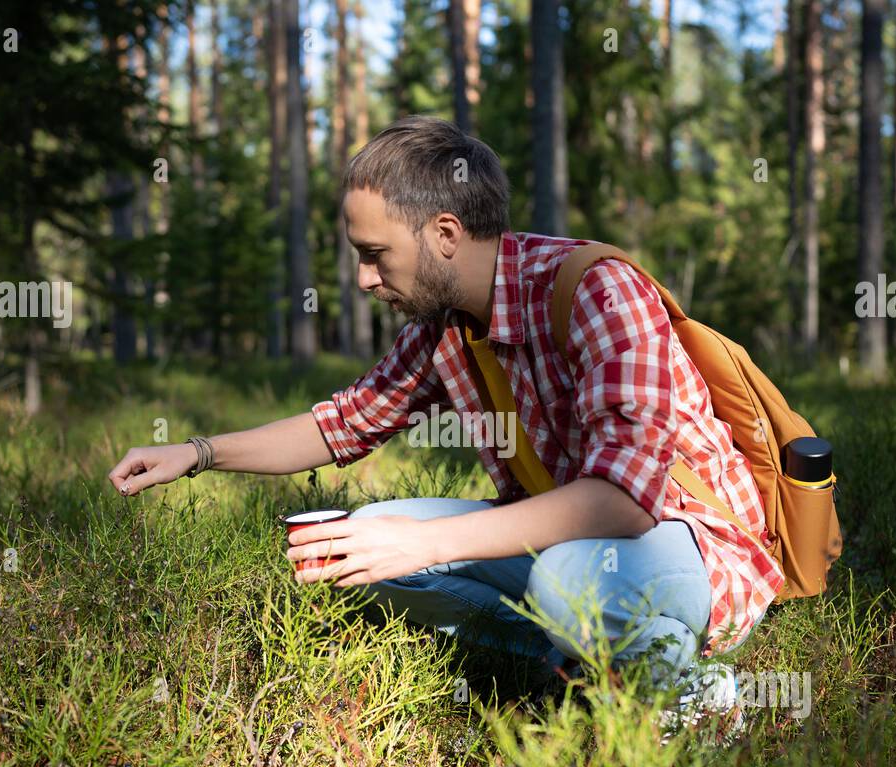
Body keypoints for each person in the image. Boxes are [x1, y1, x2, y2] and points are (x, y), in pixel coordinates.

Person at [107, 115, 785, 734]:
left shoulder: (599, 291)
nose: (365, 279)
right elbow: (343, 423)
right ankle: (578, 667)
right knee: (362, 545)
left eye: (375, 253)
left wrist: (428, 545)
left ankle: (690, 694)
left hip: (689, 548)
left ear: (445, 234)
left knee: (561, 579)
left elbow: (625, 501)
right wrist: (196, 453)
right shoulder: (446, 325)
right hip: (566, 545)